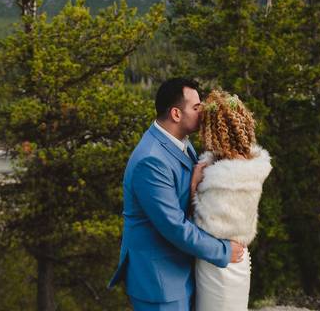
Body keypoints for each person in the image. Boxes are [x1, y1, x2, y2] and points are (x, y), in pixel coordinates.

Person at [109, 78, 246, 310]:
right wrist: (223, 251)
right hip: (159, 280)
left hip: (179, 270)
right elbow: (174, 227)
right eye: (196, 107)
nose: (202, 112)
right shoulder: (150, 160)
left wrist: (193, 186)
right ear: (176, 114)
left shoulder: (180, 142)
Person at [191, 90, 272, 311]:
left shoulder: (217, 179)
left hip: (217, 262)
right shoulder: (253, 168)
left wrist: (192, 186)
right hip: (240, 260)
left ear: (212, 132)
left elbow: (197, 224)